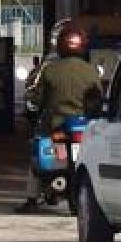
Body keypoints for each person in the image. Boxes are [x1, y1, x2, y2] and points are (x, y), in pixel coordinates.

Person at [16, 20, 103, 214]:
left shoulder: (50, 70)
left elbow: (38, 100)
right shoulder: (91, 71)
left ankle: (31, 198)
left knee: (36, 149)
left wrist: (35, 108)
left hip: (56, 128)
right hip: (84, 129)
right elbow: (97, 99)